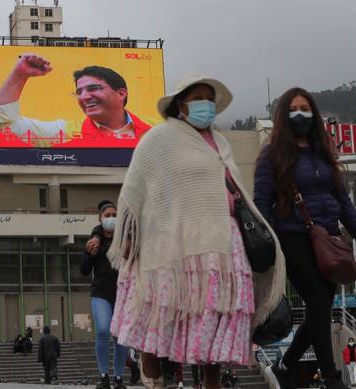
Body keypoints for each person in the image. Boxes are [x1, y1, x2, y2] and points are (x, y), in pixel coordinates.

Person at [107, 75, 285, 389]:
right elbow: (137, 187)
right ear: (181, 105)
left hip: (222, 241)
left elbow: (234, 189)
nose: (205, 105)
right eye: (197, 97)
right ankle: (152, 362)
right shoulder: (158, 139)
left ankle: (212, 379)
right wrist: (131, 235)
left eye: (209, 99)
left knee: (218, 311)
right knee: (164, 305)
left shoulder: (222, 143)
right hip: (174, 239)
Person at [254, 87, 356, 389]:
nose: (300, 114)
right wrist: (267, 244)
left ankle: (285, 365)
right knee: (319, 302)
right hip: (292, 236)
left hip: (330, 240)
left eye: (306, 108)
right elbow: (261, 203)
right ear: (285, 115)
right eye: (294, 109)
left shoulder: (324, 153)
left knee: (319, 306)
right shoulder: (272, 154)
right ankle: (331, 377)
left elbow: (344, 202)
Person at [0, 55, 151, 147]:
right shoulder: (66, 133)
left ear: (121, 93)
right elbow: (2, 126)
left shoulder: (158, 131)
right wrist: (20, 74)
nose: (84, 97)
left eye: (93, 88)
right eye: (79, 92)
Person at [80, 200, 128, 389]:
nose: (111, 219)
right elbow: (84, 270)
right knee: (102, 331)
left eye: (115, 215)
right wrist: (89, 253)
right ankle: (103, 376)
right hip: (100, 292)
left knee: (120, 337)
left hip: (123, 294)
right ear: (100, 219)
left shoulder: (125, 238)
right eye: (107, 216)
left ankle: (118, 378)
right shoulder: (95, 241)